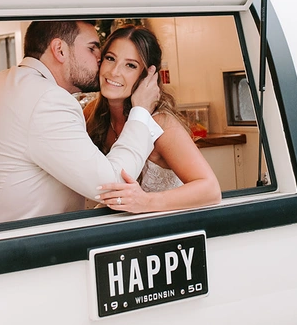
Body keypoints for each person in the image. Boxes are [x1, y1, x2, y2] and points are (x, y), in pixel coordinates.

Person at [0, 20, 162, 229]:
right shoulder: (48, 100)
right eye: (92, 49)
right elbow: (114, 185)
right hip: (6, 250)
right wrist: (141, 111)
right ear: (59, 50)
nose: (100, 59)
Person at [85, 26, 221, 213]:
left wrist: (146, 202)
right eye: (110, 58)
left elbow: (211, 189)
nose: (115, 72)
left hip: (164, 230)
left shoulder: (161, 124)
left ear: (148, 76)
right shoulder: (91, 113)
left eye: (130, 65)